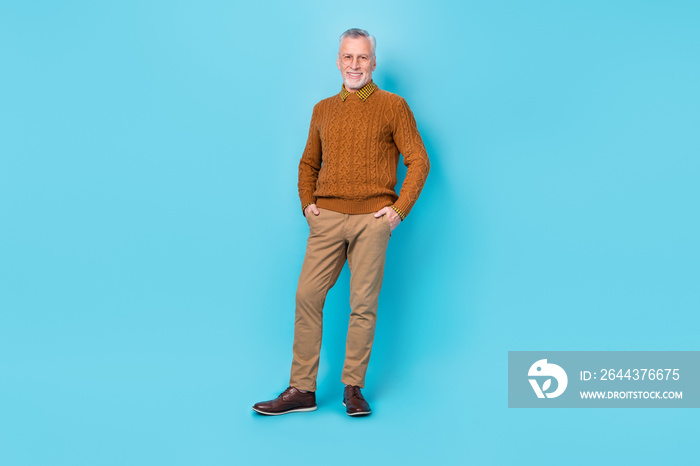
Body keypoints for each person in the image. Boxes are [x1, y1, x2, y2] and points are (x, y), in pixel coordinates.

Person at [253, 28, 429, 417]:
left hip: (372, 218)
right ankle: (302, 389)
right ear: (338, 61)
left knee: (362, 304)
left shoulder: (393, 106)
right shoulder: (323, 109)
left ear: (373, 62)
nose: (355, 65)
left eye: (362, 57)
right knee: (307, 296)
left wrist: (398, 211)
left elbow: (419, 159)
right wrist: (307, 205)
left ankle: (353, 388)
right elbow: (308, 164)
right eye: (348, 57)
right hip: (327, 218)